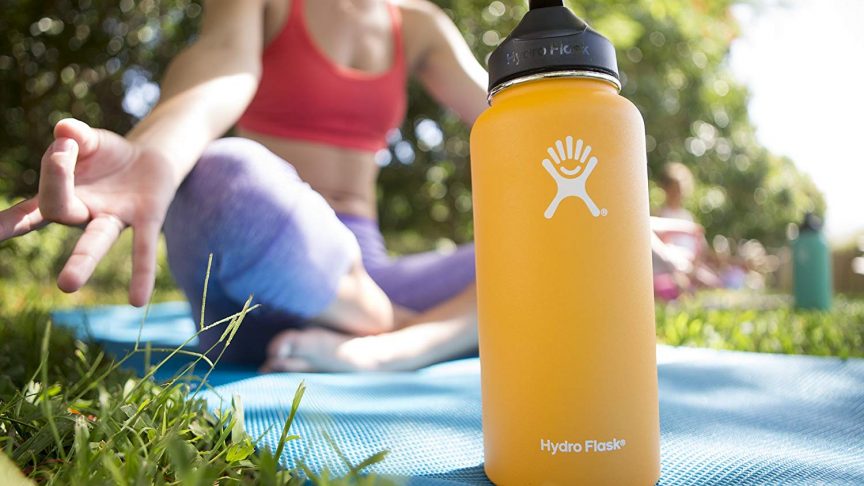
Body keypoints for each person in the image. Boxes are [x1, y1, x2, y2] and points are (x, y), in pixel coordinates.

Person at [0, 0, 488, 372]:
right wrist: (158, 149)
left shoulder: (419, 23)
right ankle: (405, 323)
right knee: (223, 176)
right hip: (257, 266)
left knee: (536, 248)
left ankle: (403, 346)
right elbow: (221, 60)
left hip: (366, 270)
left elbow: (505, 113)